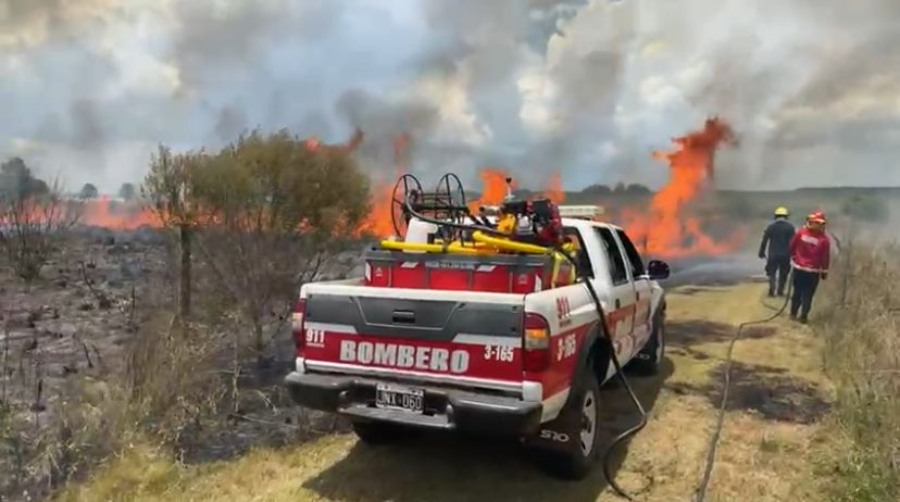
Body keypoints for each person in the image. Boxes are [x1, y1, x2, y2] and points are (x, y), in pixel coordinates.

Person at [788, 211, 831, 323]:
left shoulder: (801, 233)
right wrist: (824, 271)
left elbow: (792, 246)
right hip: (813, 271)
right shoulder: (824, 240)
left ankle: (793, 314)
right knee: (808, 294)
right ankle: (803, 316)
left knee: (797, 292)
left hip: (799, 268)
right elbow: (825, 257)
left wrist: (793, 257)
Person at [758, 206, 795, 297]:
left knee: (772, 273)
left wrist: (761, 252)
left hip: (773, 255)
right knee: (784, 273)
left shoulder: (771, 227)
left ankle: (772, 290)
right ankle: (780, 291)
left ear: (776, 216)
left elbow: (765, 240)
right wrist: (795, 254)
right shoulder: (790, 227)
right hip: (786, 255)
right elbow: (794, 242)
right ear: (786, 216)